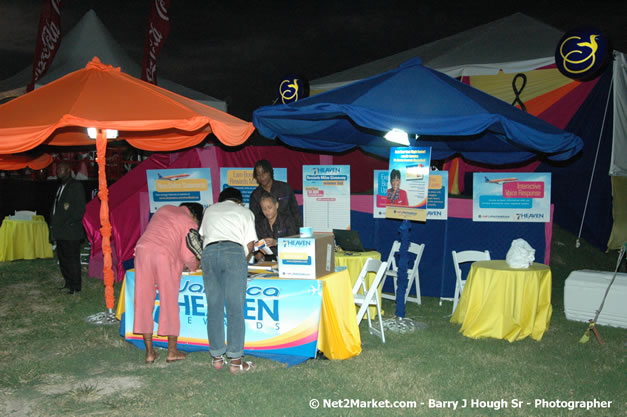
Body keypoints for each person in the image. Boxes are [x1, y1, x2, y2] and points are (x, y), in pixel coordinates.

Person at [133, 202, 203, 364]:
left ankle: (150, 353)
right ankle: (172, 351)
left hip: (142, 250)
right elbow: (188, 255)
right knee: (169, 301)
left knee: (143, 301)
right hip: (164, 256)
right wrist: (195, 266)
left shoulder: (164, 209)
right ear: (194, 215)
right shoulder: (188, 221)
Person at [200, 187, 258, 373]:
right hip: (233, 252)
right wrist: (242, 262)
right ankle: (236, 361)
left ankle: (217, 358)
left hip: (208, 253)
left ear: (221, 200)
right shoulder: (244, 212)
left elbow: (204, 236)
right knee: (234, 308)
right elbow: (249, 245)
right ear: (239, 201)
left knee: (214, 306)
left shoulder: (209, 210)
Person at [50, 161, 86, 294]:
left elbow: (80, 209)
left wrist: (69, 222)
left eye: (62, 169)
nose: (59, 171)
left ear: (69, 170)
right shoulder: (61, 186)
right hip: (60, 231)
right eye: (57, 169)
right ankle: (68, 282)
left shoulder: (75, 186)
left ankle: (75, 286)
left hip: (71, 231)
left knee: (72, 260)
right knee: (63, 259)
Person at [249, 159, 302, 228]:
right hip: (267, 233)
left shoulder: (285, 188)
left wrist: (299, 231)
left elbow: (295, 212)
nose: (261, 177)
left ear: (270, 172)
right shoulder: (255, 195)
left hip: (289, 230)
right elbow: (255, 218)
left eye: (264, 173)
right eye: (258, 175)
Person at [254, 191, 299, 262]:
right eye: (264, 209)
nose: (267, 211)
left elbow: (293, 241)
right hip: (268, 261)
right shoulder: (260, 224)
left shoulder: (288, 220)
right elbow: (257, 246)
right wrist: (259, 253)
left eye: (269, 207)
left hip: (287, 258)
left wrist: (276, 242)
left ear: (276, 205)